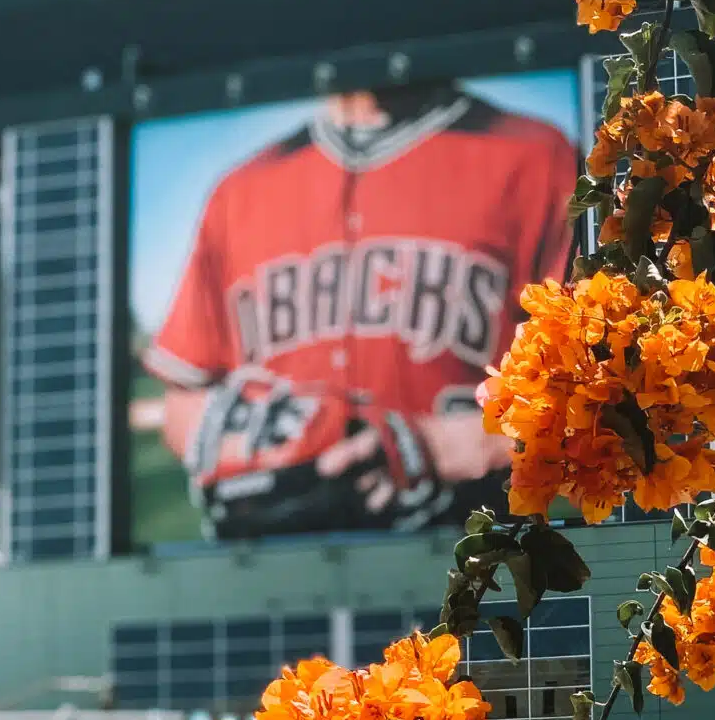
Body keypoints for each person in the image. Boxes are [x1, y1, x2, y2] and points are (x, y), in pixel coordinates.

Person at [143, 82, 580, 540]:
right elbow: (182, 402)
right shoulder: (240, 188)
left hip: (469, 558)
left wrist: (437, 447)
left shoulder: (537, 156)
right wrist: (256, 450)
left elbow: (600, 397)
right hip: (275, 567)